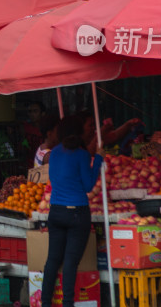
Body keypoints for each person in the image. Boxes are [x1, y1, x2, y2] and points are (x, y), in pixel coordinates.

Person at [41, 116, 103, 307]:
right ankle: (68, 303)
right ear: (80, 133)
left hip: (56, 212)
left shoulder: (54, 154)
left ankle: (45, 303)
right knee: (70, 262)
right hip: (77, 214)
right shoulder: (82, 155)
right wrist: (98, 159)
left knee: (52, 260)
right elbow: (88, 185)